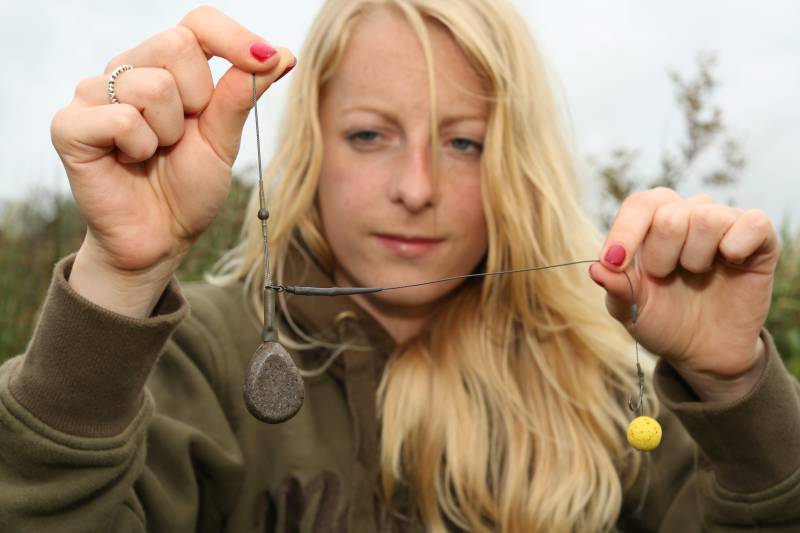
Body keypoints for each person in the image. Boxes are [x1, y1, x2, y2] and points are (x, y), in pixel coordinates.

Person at [1, 1, 798, 531]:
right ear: (311, 146)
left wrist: (734, 389)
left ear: (515, 166)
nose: (416, 189)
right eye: (370, 135)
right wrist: (118, 276)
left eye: (463, 142)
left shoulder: (613, 388)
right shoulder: (189, 359)